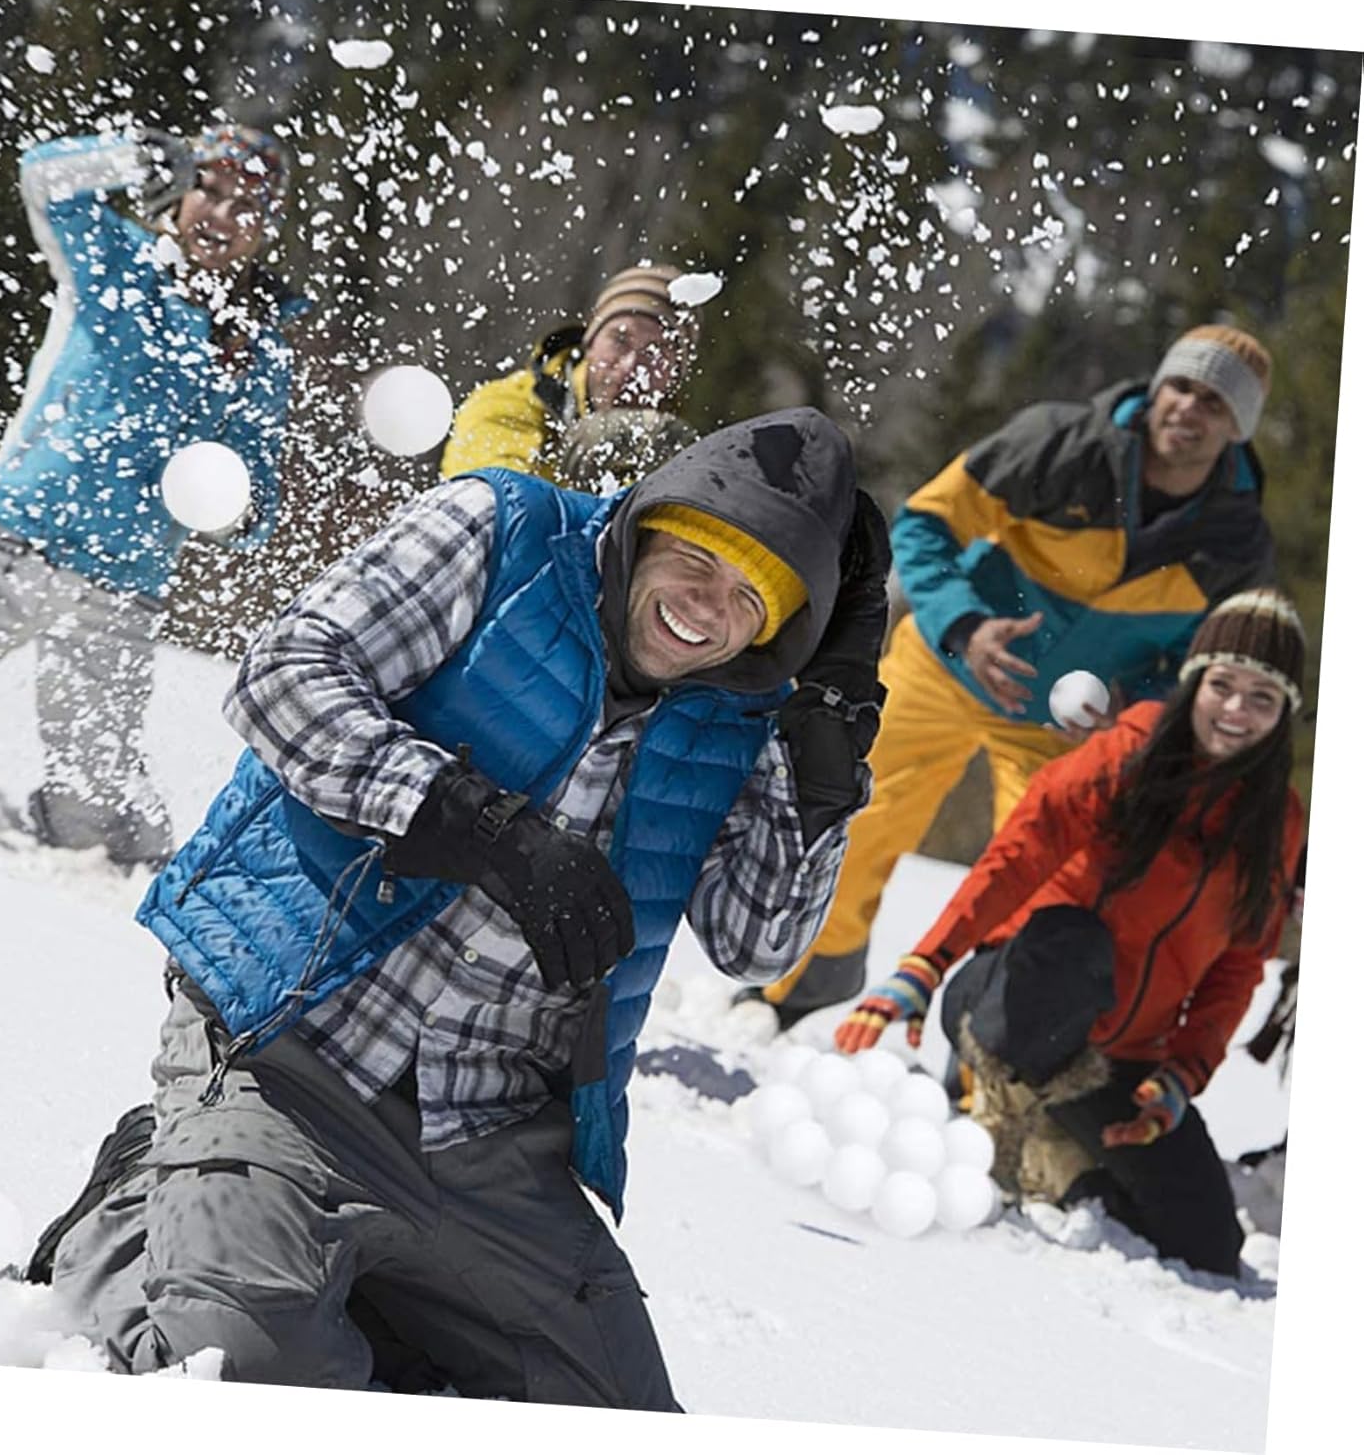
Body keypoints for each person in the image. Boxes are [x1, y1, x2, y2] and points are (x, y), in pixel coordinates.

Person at [33, 407, 891, 1403]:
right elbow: (284, 674)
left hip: (490, 1130)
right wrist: (474, 822)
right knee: (251, 1377)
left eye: (752, 598)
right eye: (698, 559)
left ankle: (352, 1279)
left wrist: (825, 757)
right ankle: (142, 1204)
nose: (710, 608)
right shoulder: (503, 533)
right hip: (287, 1049)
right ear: (650, 525)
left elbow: (757, 943)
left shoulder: (749, 710)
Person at [748, 324, 1279, 1030]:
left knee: (1042, 881)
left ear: (1238, 427)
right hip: (942, 667)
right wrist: (967, 626)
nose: (1189, 408)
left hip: (1058, 731)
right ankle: (800, 990)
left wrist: (1137, 709)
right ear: (1158, 386)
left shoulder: (1237, 544)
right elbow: (925, 523)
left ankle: (982, 1046)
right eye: (1181, 386)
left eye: (1214, 402)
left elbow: (1202, 666)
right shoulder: (1057, 443)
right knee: (854, 819)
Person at [836, 589, 1307, 1278]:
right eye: (1223, 686)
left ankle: (1058, 1154)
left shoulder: (1279, 822)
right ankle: (987, 1103)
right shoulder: (1130, 752)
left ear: (1284, 713)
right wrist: (925, 965)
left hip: (1122, 1057)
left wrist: (1181, 1076)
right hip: (1016, 999)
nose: (1236, 710)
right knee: (1075, 943)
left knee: (1207, 1246)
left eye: (1261, 698)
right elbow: (1017, 855)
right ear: (1195, 682)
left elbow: (1239, 965)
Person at [0, 121, 307, 867]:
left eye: (245, 206)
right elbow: (41, 176)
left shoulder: (257, 345)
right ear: (177, 191)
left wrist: (232, 507)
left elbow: (257, 494)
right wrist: (131, 157)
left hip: (118, 594)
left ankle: (118, 881)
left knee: (93, 821)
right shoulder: (113, 259)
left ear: (266, 230)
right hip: (7, 542)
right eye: (208, 189)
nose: (221, 214)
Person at [439, 263, 702, 490]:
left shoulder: (671, 449)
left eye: (656, 352)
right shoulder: (507, 403)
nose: (629, 366)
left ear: (675, 374)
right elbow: (499, 501)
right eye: (620, 340)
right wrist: (574, 456)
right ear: (590, 342)